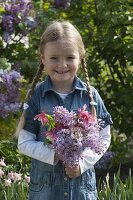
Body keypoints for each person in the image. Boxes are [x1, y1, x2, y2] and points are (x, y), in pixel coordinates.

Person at [16, 20, 113, 200]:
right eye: (54, 58)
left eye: (69, 57)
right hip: (46, 191)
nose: (62, 65)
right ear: (43, 58)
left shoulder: (90, 97)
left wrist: (82, 164)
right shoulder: (37, 96)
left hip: (82, 191)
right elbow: (23, 143)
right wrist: (55, 154)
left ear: (81, 57)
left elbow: (104, 137)